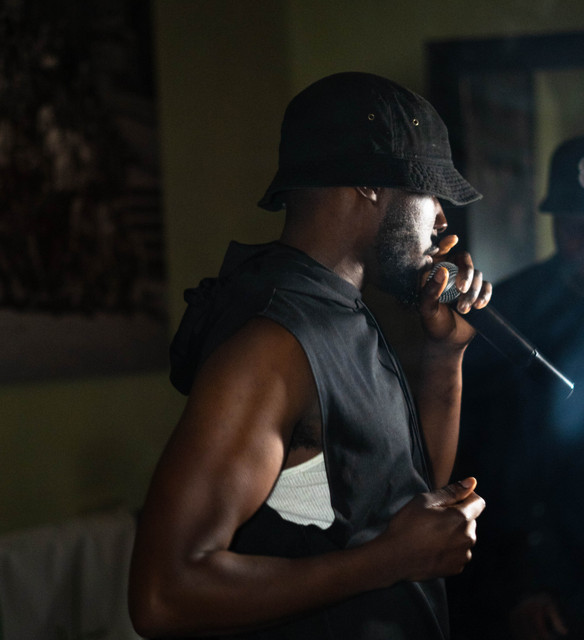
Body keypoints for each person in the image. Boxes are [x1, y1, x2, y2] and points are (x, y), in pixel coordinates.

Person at [128, 71, 492, 640]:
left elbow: (404, 499)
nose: (442, 218)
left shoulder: (340, 311)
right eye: (429, 192)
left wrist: (446, 356)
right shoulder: (274, 342)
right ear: (369, 182)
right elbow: (163, 595)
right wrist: (388, 561)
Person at [451, 133, 584, 640]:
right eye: (574, 229)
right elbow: (475, 459)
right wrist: (517, 585)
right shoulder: (507, 315)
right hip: (531, 578)